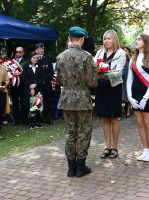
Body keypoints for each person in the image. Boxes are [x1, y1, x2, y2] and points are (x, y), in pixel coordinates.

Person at [57, 26, 98, 177]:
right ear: (81, 39)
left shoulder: (60, 57)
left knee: (70, 133)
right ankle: (81, 167)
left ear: (70, 38)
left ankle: (70, 168)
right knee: (83, 132)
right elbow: (92, 81)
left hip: (66, 99)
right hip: (82, 100)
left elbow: (59, 80)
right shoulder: (87, 56)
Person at [126, 33, 149, 162]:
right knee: (140, 123)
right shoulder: (133, 59)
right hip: (135, 95)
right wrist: (129, 97)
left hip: (147, 94)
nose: (136, 41)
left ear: (145, 42)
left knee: (148, 122)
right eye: (136, 39)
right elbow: (129, 80)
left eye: (139, 39)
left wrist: (145, 98)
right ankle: (145, 149)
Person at [94, 30, 126, 159]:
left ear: (114, 40)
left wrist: (104, 72)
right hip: (101, 87)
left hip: (113, 87)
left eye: (109, 38)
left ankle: (114, 147)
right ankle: (107, 147)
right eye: (104, 39)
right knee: (105, 118)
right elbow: (94, 67)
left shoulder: (121, 54)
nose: (106, 41)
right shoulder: (99, 52)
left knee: (114, 117)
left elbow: (118, 73)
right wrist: (98, 71)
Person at [23, 52, 44, 129]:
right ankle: (31, 123)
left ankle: (38, 122)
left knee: (38, 105)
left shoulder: (40, 67)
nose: (35, 59)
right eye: (34, 57)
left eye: (37, 58)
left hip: (38, 88)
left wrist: (36, 84)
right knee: (31, 106)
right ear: (30, 58)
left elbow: (42, 78)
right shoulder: (26, 67)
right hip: (29, 89)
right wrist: (31, 86)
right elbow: (24, 78)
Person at [36, 43, 54, 124]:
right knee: (38, 101)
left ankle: (48, 118)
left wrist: (45, 80)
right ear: (36, 50)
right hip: (38, 84)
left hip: (46, 84)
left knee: (48, 101)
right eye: (40, 49)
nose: (41, 50)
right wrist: (39, 81)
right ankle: (39, 118)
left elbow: (51, 71)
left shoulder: (48, 58)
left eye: (42, 48)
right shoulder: (34, 58)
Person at [11, 46, 28, 125]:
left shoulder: (27, 61)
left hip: (23, 85)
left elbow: (27, 74)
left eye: (19, 52)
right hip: (14, 86)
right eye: (16, 51)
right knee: (15, 103)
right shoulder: (11, 62)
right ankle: (16, 120)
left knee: (24, 103)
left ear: (23, 53)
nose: (18, 53)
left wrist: (19, 75)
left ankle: (24, 120)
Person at [122, 46, 132, 117]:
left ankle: (128, 110)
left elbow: (133, 64)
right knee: (122, 95)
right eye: (124, 50)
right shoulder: (121, 58)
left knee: (128, 94)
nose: (125, 51)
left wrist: (128, 55)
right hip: (122, 79)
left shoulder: (131, 58)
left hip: (129, 79)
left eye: (126, 50)